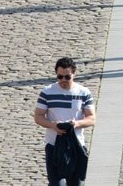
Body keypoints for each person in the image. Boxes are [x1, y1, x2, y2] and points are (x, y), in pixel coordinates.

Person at [34, 57, 96, 186]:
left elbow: (91, 118)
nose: (63, 80)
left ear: (74, 74)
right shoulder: (47, 92)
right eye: (59, 77)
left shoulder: (84, 93)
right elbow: (38, 116)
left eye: (67, 77)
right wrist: (52, 125)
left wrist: (76, 124)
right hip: (53, 146)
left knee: (76, 183)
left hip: (76, 145)